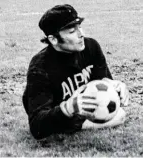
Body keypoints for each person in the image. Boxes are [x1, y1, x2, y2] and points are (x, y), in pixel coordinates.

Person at [22, 4, 129, 140]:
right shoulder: (40, 67)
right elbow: (37, 126)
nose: (81, 34)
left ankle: (79, 124)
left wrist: (115, 86)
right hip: (58, 115)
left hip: (83, 111)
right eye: (72, 31)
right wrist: (68, 108)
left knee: (120, 114)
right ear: (53, 39)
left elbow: (102, 81)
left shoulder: (91, 47)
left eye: (80, 28)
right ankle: (76, 125)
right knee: (119, 116)